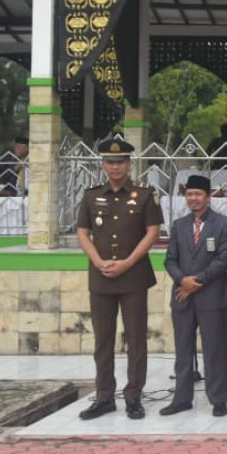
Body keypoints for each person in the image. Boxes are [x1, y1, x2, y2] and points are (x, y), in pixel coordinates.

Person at [74, 134, 163, 420]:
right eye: (110, 162)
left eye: (120, 162)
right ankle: (104, 396)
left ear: (129, 164)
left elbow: (152, 232)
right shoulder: (91, 195)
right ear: (103, 165)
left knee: (136, 338)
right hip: (102, 276)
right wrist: (98, 261)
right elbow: (82, 233)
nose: (115, 167)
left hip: (133, 275)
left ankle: (133, 395)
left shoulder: (144, 195)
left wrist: (127, 262)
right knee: (103, 339)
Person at [161, 173, 227, 417]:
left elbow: (223, 259)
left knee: (214, 349)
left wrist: (196, 281)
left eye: (198, 194)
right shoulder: (179, 225)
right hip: (183, 297)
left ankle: (218, 398)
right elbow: (170, 260)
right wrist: (183, 280)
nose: (193, 198)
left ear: (208, 196)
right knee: (183, 350)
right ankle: (182, 399)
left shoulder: (223, 224)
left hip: (211, 296)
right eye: (189, 194)